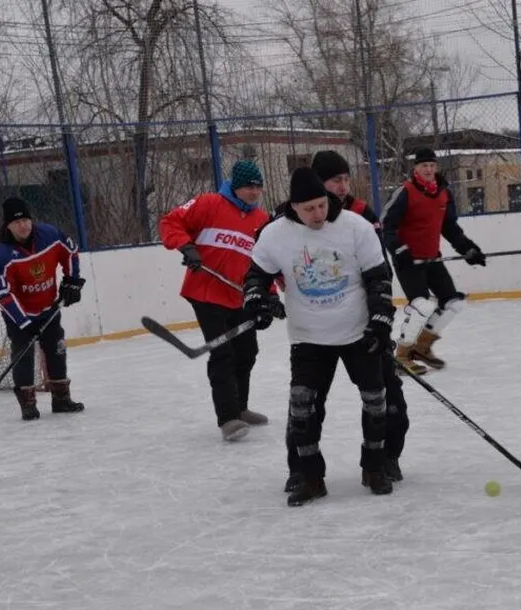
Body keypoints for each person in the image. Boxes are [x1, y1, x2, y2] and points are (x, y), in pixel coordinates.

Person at [244, 167, 396, 507]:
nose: (318, 214)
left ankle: (374, 468)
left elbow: (378, 277)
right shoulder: (274, 234)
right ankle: (311, 477)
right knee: (303, 409)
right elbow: (256, 275)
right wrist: (257, 299)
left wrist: (381, 319)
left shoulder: (355, 227)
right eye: (309, 208)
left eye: (322, 205)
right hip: (308, 336)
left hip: (358, 331)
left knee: (376, 402)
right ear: (293, 207)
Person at [159, 160, 272, 442]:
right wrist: (187, 246)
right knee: (222, 353)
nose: (254, 192)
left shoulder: (261, 221)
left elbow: (266, 263)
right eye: (249, 186)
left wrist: (269, 297)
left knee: (247, 351)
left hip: (239, 296)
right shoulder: (209, 203)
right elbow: (170, 222)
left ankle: (240, 407)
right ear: (235, 186)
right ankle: (228, 418)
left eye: (258, 186)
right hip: (206, 292)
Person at [380, 147, 486, 374]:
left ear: (436, 167)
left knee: (453, 303)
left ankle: (422, 347)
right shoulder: (405, 192)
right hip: (408, 261)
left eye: (432, 165)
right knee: (422, 306)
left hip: (432, 260)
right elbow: (386, 225)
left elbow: (450, 228)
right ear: (415, 168)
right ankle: (402, 354)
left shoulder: (444, 194)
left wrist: (468, 249)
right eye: (423, 165)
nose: (428, 169)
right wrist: (399, 249)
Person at [0, 196, 86, 421]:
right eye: (16, 223)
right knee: (22, 356)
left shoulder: (50, 235)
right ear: (8, 226)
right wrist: (25, 322)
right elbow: (1, 293)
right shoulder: (2, 254)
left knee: (57, 349)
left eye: (25, 220)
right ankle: (28, 404)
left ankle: (61, 399)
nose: (23, 225)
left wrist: (72, 280)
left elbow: (70, 251)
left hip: (49, 308)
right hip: (19, 315)